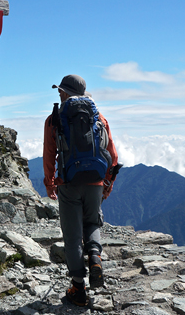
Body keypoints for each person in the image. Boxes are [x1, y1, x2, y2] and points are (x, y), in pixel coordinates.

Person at [43, 74, 120, 307]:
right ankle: (95, 257)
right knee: (92, 222)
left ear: (65, 93)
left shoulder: (54, 119)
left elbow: (49, 154)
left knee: (73, 236)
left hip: (68, 183)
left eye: (60, 91)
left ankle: (78, 288)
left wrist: (50, 183)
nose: (59, 94)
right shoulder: (99, 118)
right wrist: (107, 183)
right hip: (95, 181)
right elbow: (112, 155)